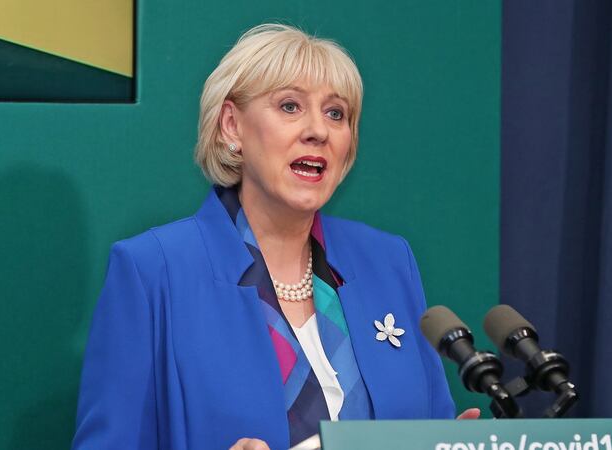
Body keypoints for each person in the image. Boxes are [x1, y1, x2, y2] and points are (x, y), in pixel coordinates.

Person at [72, 23, 468, 450]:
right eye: (290, 106)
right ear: (232, 126)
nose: (318, 130)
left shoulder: (388, 260)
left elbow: (433, 421)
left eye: (336, 113)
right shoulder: (154, 270)